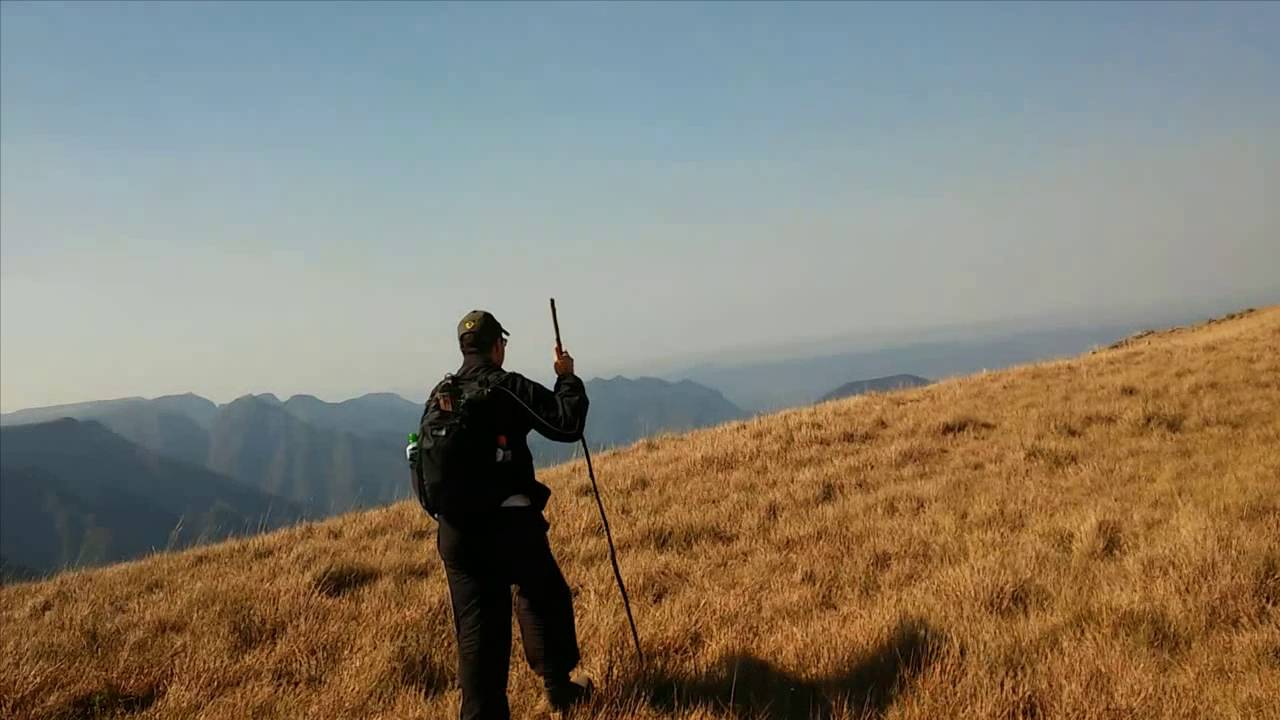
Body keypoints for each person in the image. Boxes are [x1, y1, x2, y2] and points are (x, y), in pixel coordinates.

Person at [426, 309, 592, 720]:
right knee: (544, 596)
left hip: (456, 533)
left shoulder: (441, 394)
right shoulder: (506, 386)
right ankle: (559, 689)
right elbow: (567, 424)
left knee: (478, 637)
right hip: (507, 526)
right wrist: (566, 376)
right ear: (497, 345)